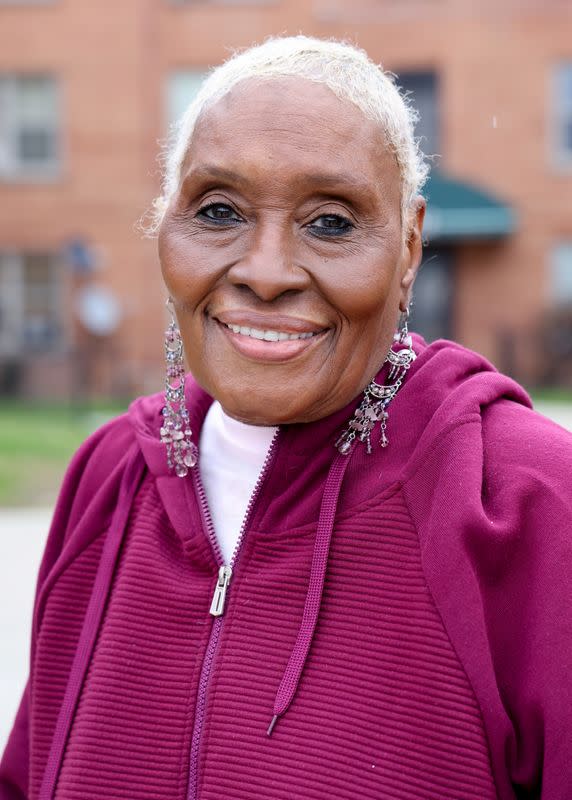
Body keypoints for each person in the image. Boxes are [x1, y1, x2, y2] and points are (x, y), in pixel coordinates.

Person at [1, 35, 571, 800]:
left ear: (407, 249)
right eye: (218, 211)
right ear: (165, 229)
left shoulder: (528, 501)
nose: (265, 272)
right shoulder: (107, 477)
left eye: (331, 221)